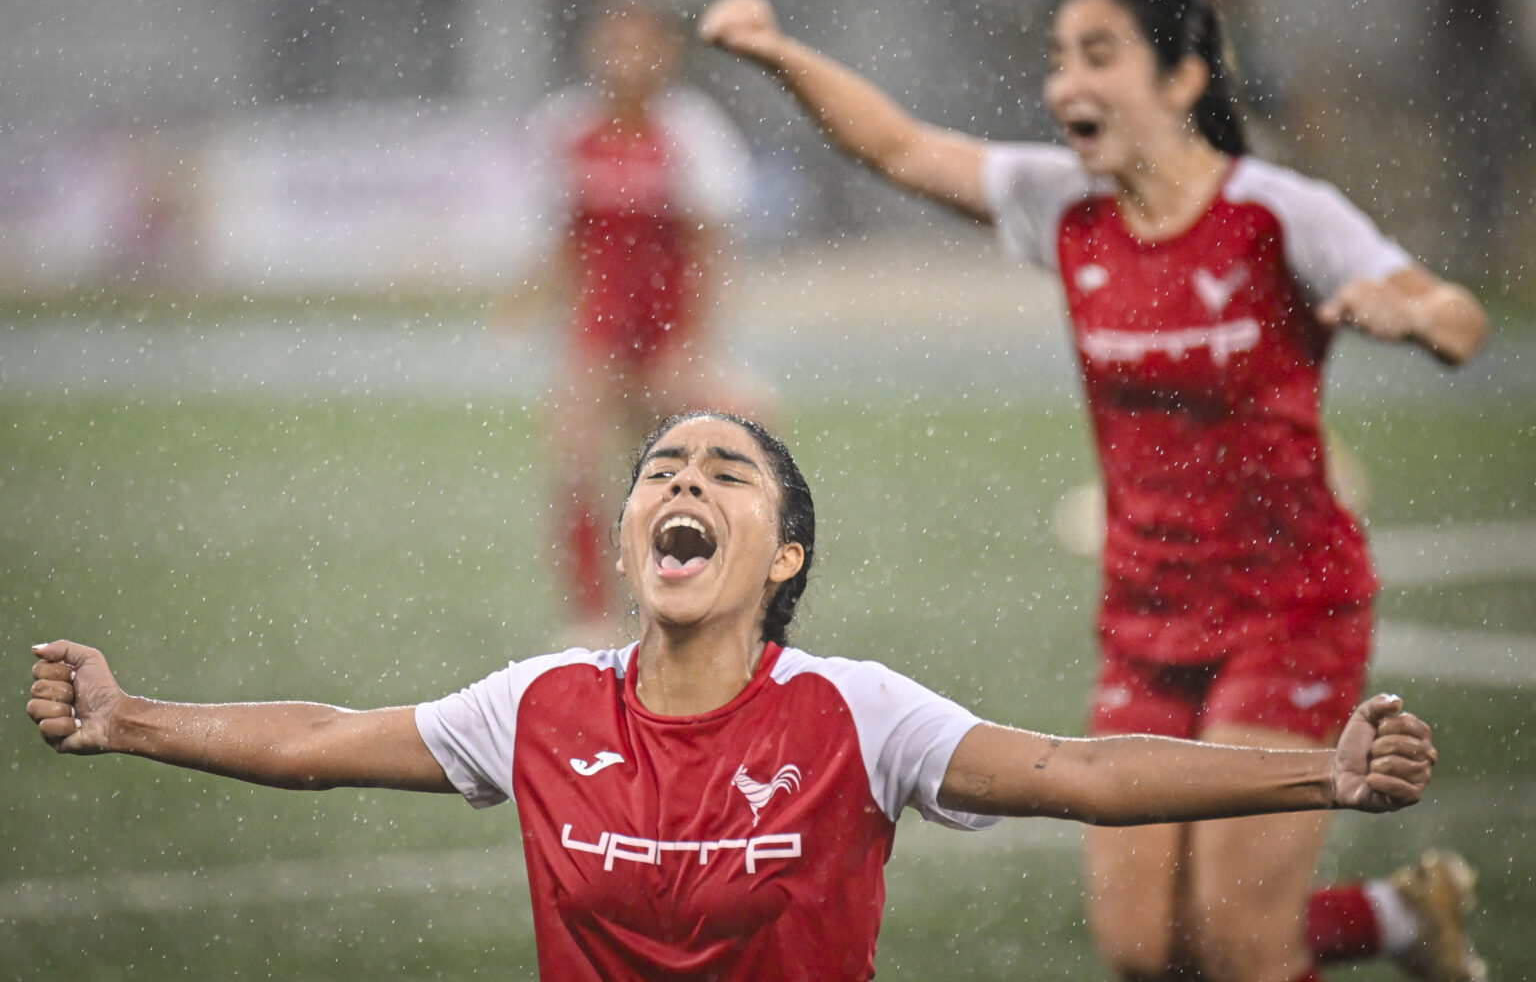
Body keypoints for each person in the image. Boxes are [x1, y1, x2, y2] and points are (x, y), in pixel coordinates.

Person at [29, 410, 1438, 982]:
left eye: (727, 472)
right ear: (636, 533)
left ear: (788, 554)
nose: (682, 480)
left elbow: (1082, 775)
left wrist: (1322, 774)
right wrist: (131, 716)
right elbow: (329, 742)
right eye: (660, 467)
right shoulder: (541, 704)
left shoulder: (855, 714)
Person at [697, 0, 1489, 982]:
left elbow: (1460, 316)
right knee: (1142, 948)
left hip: (1291, 607)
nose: (1066, 80)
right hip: (1146, 612)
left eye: (1098, 54)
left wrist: (1416, 314)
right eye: (1059, 57)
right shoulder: (1063, 205)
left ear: (1185, 77)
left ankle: (1367, 923)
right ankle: (1394, 915)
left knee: (1239, 944)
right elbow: (895, 146)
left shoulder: (1278, 212)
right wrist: (774, 50)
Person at [517, 0, 772, 639]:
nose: (626, 57)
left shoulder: (693, 132)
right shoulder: (564, 129)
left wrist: (695, 343)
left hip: (667, 332)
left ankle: (713, 598)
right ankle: (591, 617)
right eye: (614, 41)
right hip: (597, 330)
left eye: (640, 42)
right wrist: (533, 300)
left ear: (667, 52)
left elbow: (711, 247)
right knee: (574, 455)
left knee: (715, 449)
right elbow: (562, 236)